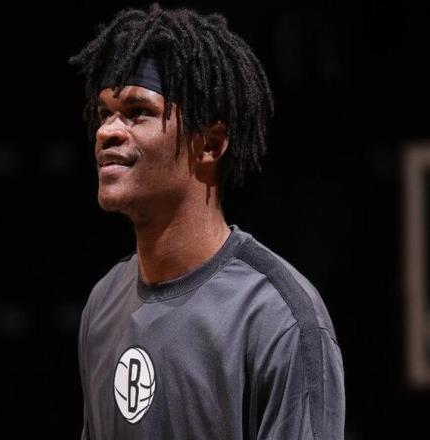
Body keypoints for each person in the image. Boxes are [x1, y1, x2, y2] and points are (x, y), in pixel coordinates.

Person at [69, 3, 345, 439]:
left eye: (138, 111)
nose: (108, 132)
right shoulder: (103, 304)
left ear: (211, 144)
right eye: (105, 113)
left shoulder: (278, 317)